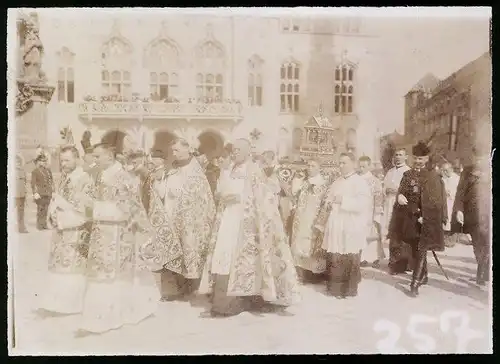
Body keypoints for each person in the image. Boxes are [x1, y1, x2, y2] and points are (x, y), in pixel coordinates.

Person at [199, 138, 300, 317]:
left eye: (238, 150)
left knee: (248, 262)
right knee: (225, 256)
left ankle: (248, 299)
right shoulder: (227, 169)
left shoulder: (255, 171)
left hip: (248, 223)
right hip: (228, 218)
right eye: (234, 150)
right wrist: (222, 196)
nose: (234, 153)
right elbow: (219, 191)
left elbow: (266, 197)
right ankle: (224, 301)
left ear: (247, 152)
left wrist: (242, 199)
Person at [78, 143, 159, 334]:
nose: (94, 160)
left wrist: (94, 207)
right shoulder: (101, 174)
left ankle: (108, 318)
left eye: (97, 157)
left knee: (111, 277)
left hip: (117, 234)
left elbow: (128, 210)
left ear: (109, 156)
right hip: (103, 232)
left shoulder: (122, 178)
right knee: (101, 274)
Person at [157, 138, 216, 302]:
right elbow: (164, 191)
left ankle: (194, 288)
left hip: (192, 220)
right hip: (172, 215)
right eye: (172, 151)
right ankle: (175, 289)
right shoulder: (171, 169)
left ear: (188, 149)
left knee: (191, 248)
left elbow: (201, 197)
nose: (174, 153)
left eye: (177, 150)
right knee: (174, 249)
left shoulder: (196, 171)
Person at [38, 146, 92, 314]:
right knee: (59, 266)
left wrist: (63, 207)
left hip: (76, 230)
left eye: (67, 160)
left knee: (73, 268)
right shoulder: (65, 177)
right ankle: (58, 303)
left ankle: (72, 306)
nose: (64, 164)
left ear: (77, 159)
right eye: (62, 160)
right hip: (62, 230)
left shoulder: (84, 179)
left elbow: (86, 208)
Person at [391, 141, 447, 297]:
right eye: (415, 158)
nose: (417, 161)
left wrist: (426, 217)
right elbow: (401, 191)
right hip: (409, 218)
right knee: (414, 249)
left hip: (425, 219)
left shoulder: (433, 176)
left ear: (427, 159)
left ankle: (414, 283)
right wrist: (399, 196)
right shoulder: (407, 175)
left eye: (420, 159)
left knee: (421, 249)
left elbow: (437, 201)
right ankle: (424, 275)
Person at [314, 152, 371, 299]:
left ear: (353, 163)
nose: (340, 166)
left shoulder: (360, 182)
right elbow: (329, 198)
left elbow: (363, 204)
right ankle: (335, 288)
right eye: (339, 163)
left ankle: (349, 289)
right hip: (336, 223)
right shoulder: (337, 181)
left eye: (344, 163)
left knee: (350, 256)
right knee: (335, 255)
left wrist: (343, 200)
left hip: (351, 224)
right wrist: (328, 202)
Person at [453, 146, 491, 286]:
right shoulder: (467, 171)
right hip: (472, 214)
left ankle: (482, 271)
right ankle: (484, 268)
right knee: (476, 243)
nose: (479, 160)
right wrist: (459, 210)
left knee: (487, 242)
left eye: (482, 157)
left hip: (488, 213)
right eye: (477, 157)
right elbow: (460, 192)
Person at [290, 159, 329, 283]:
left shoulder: (323, 184)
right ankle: (301, 272)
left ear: (319, 168)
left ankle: (314, 275)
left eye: (313, 165)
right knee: (299, 244)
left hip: (314, 219)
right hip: (301, 218)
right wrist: (297, 180)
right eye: (308, 165)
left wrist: (320, 221)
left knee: (312, 245)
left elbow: (325, 204)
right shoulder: (305, 182)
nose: (309, 167)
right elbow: (294, 195)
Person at [383, 148, 412, 274]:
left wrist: (398, 192)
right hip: (390, 204)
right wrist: (386, 190)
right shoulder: (390, 171)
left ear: (406, 157)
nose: (398, 157)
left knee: (402, 236)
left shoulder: (409, 171)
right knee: (392, 234)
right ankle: (393, 262)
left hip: (402, 207)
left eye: (401, 155)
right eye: (396, 155)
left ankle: (405, 264)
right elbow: (384, 186)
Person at [358, 156, 385, 268]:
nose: (361, 168)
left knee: (371, 234)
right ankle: (360, 257)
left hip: (370, 210)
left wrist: (377, 213)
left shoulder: (375, 180)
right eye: (360, 166)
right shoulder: (356, 178)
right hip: (358, 210)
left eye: (364, 166)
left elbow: (378, 197)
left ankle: (372, 257)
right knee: (359, 233)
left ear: (369, 166)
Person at [31, 153, 54, 230]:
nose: (44, 162)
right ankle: (39, 225)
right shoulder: (35, 171)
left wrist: (53, 191)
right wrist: (35, 193)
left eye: (45, 161)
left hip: (48, 193)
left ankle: (44, 224)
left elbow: (51, 181)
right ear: (38, 162)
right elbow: (33, 184)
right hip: (40, 193)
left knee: (46, 209)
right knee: (40, 209)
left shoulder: (48, 170)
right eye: (42, 161)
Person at [440, 161, 460, 243]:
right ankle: (444, 238)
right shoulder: (442, 179)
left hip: (453, 202)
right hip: (444, 203)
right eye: (443, 170)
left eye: (446, 170)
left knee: (453, 219)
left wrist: (450, 193)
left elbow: (460, 192)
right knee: (444, 219)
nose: (444, 172)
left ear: (451, 169)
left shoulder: (457, 178)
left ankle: (452, 238)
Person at [15, 154, 28, 233]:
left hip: (21, 195)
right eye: (16, 162)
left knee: (21, 213)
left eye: (19, 162)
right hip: (13, 196)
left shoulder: (23, 171)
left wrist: (25, 193)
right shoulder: (10, 171)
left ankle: (21, 228)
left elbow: (25, 183)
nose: (18, 163)